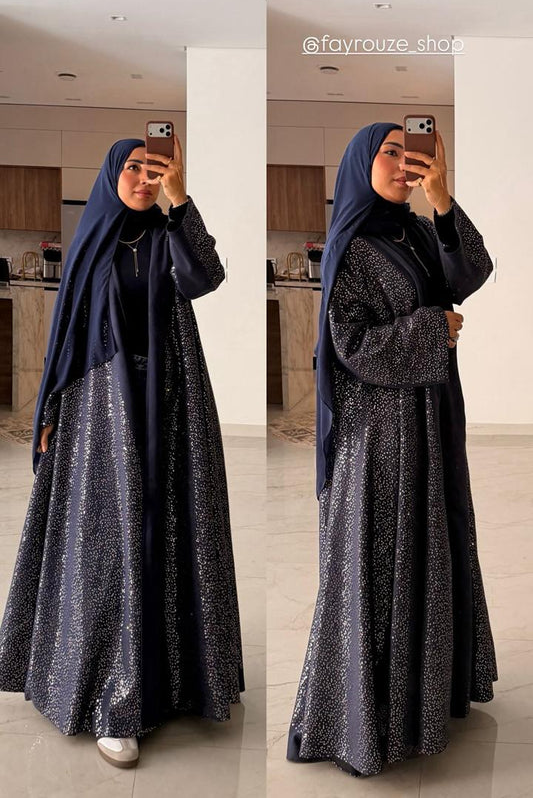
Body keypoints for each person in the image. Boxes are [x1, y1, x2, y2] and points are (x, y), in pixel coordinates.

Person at [0, 136, 244, 768]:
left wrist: (180, 198)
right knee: (108, 540)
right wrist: (50, 410)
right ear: (112, 174)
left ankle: (181, 679)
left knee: (170, 531)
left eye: (152, 169)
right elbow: (67, 336)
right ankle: (111, 693)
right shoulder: (93, 241)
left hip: (171, 404)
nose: (142, 178)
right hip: (98, 409)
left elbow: (207, 277)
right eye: (132, 168)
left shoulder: (169, 236)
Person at [286, 122, 498, 777]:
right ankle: (367, 715)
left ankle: (427, 695)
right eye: (391, 153)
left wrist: (442, 199)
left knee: (431, 541)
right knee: (385, 550)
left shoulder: (416, 231)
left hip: (430, 416)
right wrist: (431, 327)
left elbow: (472, 272)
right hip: (379, 431)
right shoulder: (349, 245)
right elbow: (348, 344)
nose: (405, 164)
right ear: (361, 162)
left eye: (413, 154)